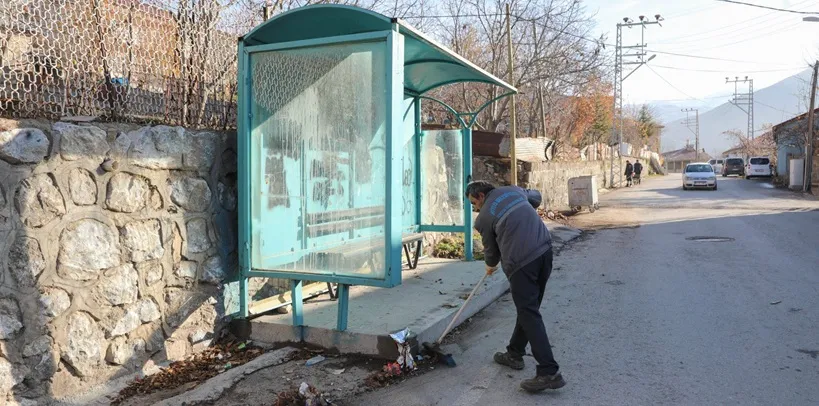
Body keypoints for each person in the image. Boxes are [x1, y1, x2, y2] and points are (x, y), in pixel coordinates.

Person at [466, 181, 565, 393]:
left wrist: (490, 265)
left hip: (521, 262)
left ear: (481, 196)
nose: (474, 208)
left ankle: (549, 372)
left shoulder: (483, 218)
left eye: (474, 203)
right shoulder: (513, 190)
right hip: (544, 251)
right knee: (528, 308)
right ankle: (515, 353)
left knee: (528, 312)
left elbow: (491, 252)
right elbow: (536, 197)